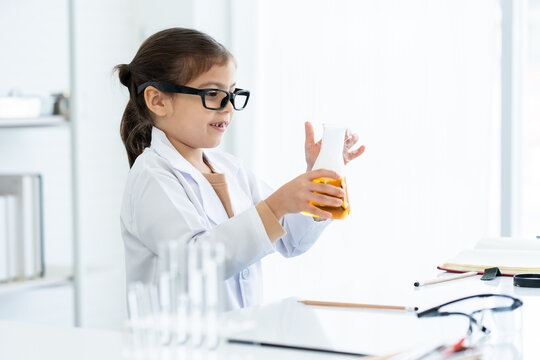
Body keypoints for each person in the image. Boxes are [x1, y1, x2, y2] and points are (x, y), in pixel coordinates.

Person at [116, 28, 365, 310]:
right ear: (158, 100)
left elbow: (292, 240)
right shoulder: (152, 177)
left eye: (232, 94)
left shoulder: (229, 168)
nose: (228, 108)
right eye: (212, 94)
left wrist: (321, 170)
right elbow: (197, 265)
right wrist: (275, 205)